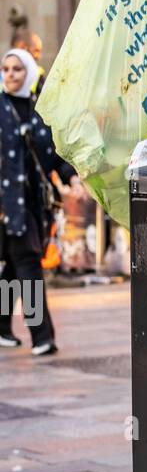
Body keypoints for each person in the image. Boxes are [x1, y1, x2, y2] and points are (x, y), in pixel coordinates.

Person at [0, 48, 83, 356]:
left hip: (34, 206)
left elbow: (52, 152)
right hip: (8, 207)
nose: (10, 75)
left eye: (17, 70)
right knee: (28, 265)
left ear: (30, 74)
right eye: (5, 69)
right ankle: (41, 336)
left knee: (13, 266)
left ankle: (1, 326)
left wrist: (71, 177)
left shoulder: (39, 110)